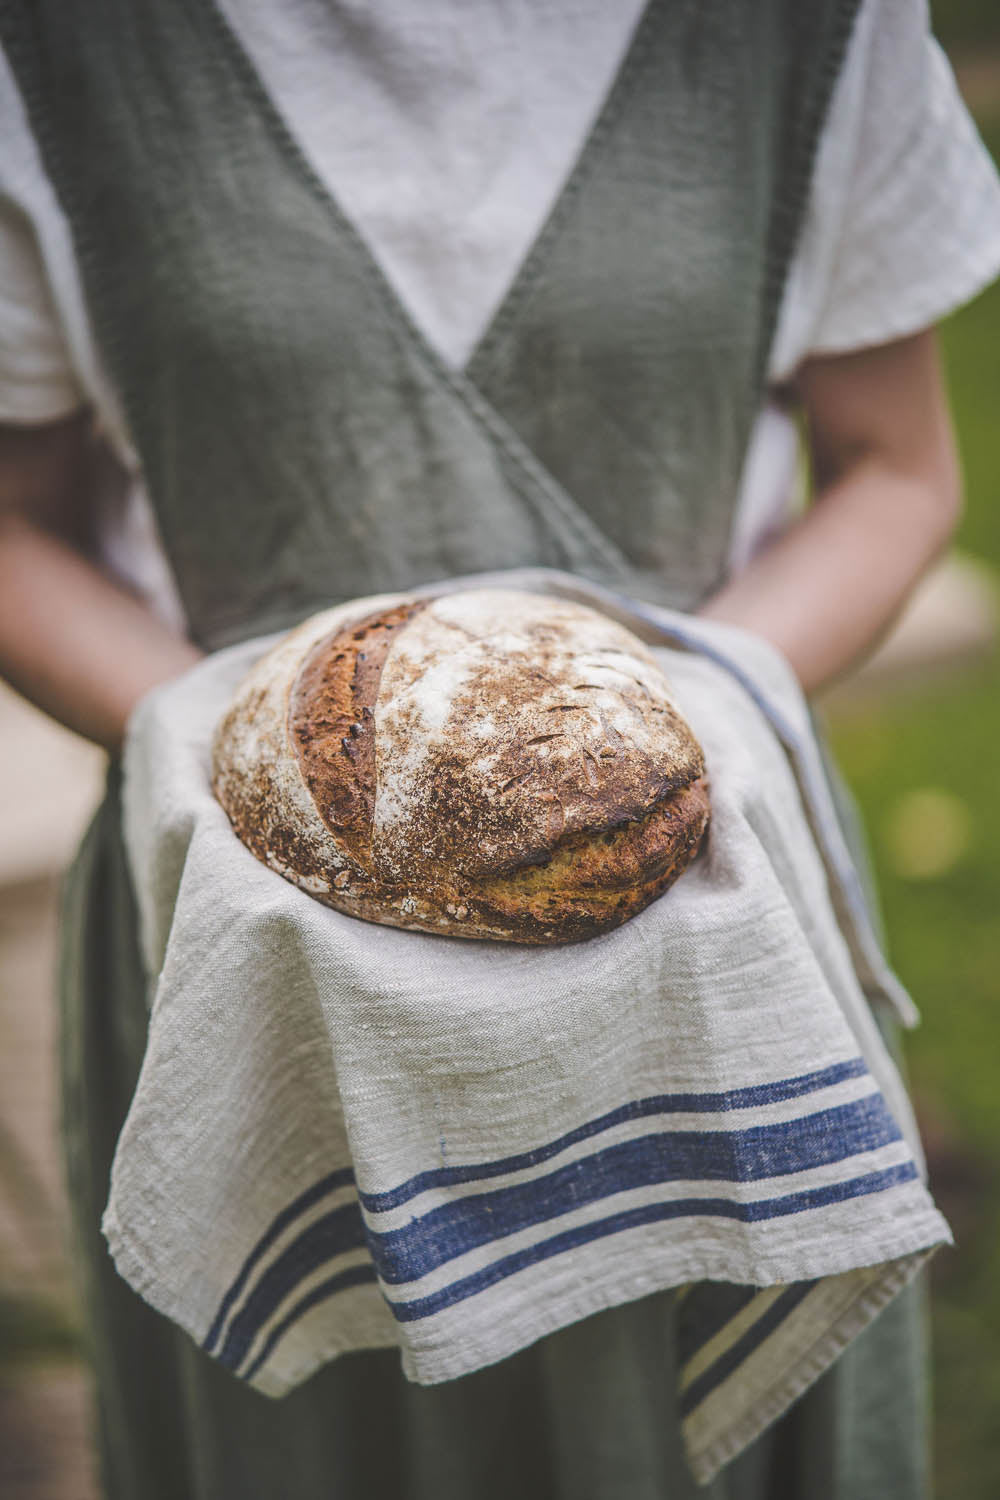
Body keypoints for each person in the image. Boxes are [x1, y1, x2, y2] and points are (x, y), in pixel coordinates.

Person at [1, 1, 999, 1496]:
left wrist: (701, 710)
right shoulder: (54, 46)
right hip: (248, 930)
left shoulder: (806, 29)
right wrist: (222, 748)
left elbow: (900, 465)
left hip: (705, 905)